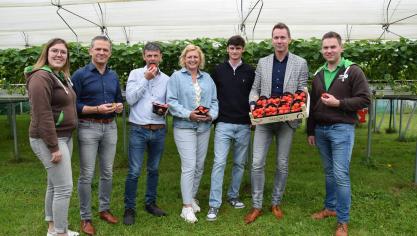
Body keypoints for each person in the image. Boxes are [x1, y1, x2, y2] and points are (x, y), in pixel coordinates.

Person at [244, 23, 309, 224]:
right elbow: (255, 89)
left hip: (287, 121)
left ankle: (275, 202)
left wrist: (299, 104)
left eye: (283, 37)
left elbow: (301, 90)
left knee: (282, 163)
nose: (279, 41)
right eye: (276, 37)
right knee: (256, 163)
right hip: (264, 118)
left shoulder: (300, 63)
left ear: (289, 39)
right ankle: (256, 205)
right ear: (272, 40)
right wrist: (254, 104)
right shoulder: (263, 62)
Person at [307, 31, 370, 236]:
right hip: (321, 130)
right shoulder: (318, 74)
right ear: (321, 50)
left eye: (333, 47)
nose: (329, 50)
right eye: (325, 47)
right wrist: (310, 130)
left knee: (341, 174)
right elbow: (313, 105)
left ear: (341, 48)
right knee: (329, 172)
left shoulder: (352, 71)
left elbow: (364, 100)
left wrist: (339, 103)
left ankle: (343, 221)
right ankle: (330, 208)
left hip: (342, 128)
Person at [26, 38, 79, 236]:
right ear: (46, 54)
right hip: (50, 139)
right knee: (64, 188)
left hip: (64, 136)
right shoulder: (41, 77)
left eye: (63, 52)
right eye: (55, 51)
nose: (59, 55)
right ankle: (60, 232)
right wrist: (53, 147)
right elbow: (42, 114)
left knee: (54, 184)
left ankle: (52, 228)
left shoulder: (59, 76)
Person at [71, 36, 123, 235]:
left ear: (110, 53)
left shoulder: (113, 75)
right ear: (90, 51)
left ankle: (104, 209)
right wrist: (95, 109)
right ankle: (86, 217)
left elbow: (118, 99)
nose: (102, 53)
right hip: (88, 127)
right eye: (98, 49)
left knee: (107, 172)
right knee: (87, 174)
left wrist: (118, 106)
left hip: (110, 127)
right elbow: (72, 105)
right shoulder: (80, 75)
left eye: (105, 50)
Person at [167, 44, 219, 223]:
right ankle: (186, 207)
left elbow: (214, 101)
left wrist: (211, 115)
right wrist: (188, 114)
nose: (192, 60)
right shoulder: (176, 77)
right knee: (189, 165)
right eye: (189, 57)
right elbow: (171, 101)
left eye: (195, 57)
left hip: (204, 127)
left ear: (200, 59)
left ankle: (192, 197)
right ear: (184, 58)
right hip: (184, 127)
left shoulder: (208, 78)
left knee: (199, 165)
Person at [206, 35, 255, 221]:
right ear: (227, 49)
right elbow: (211, 95)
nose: (235, 51)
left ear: (243, 49)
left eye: (238, 48)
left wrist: (253, 116)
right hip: (223, 123)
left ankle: (233, 196)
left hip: (243, 123)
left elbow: (253, 94)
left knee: (239, 163)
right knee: (219, 163)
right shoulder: (218, 70)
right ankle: (214, 204)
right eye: (232, 48)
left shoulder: (250, 71)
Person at [123, 42, 170, 225]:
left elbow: (169, 103)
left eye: (155, 56)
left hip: (158, 130)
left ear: (160, 57)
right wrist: (146, 79)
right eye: (149, 55)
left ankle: (150, 203)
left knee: (154, 169)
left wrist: (165, 109)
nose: (152, 59)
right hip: (138, 129)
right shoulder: (135, 74)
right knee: (134, 171)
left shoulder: (167, 79)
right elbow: (130, 99)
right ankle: (129, 208)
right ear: (144, 56)